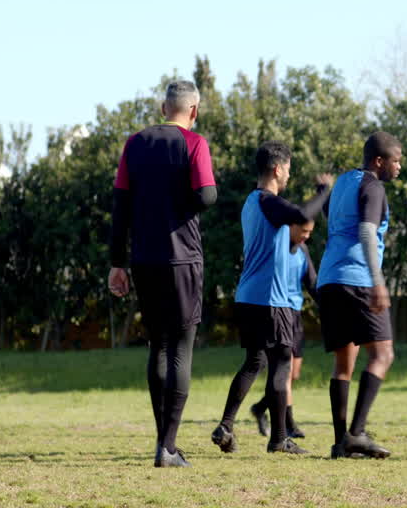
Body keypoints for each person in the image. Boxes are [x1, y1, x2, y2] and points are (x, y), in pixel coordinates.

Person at [108, 80, 217, 468]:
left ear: (162, 107)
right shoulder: (195, 144)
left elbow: (120, 205)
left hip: (144, 259)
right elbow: (206, 195)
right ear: (194, 110)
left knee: (158, 346)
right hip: (183, 258)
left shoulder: (133, 145)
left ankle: (163, 442)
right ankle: (167, 448)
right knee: (181, 349)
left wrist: (117, 262)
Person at [211, 142, 330, 455]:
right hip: (270, 299)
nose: (289, 175)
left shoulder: (251, 203)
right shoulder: (267, 201)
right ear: (277, 169)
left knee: (254, 361)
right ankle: (279, 439)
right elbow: (304, 214)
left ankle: (226, 425)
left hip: (248, 296)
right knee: (281, 363)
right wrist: (324, 191)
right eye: (288, 168)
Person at [318, 132, 403, 459]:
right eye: (395, 160)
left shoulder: (343, 182)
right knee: (383, 356)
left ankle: (341, 442)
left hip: (330, 279)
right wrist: (378, 281)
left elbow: (333, 219)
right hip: (359, 280)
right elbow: (367, 231)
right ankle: (357, 433)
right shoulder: (373, 186)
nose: (399, 167)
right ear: (378, 161)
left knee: (343, 363)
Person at [248, 219, 318, 441]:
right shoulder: (275, 246)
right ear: (291, 227)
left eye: (310, 232)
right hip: (276, 310)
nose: (306, 235)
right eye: (304, 231)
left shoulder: (303, 250)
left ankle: (260, 407)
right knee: (283, 373)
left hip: (295, 313)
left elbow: (312, 282)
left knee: (293, 374)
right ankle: (288, 424)